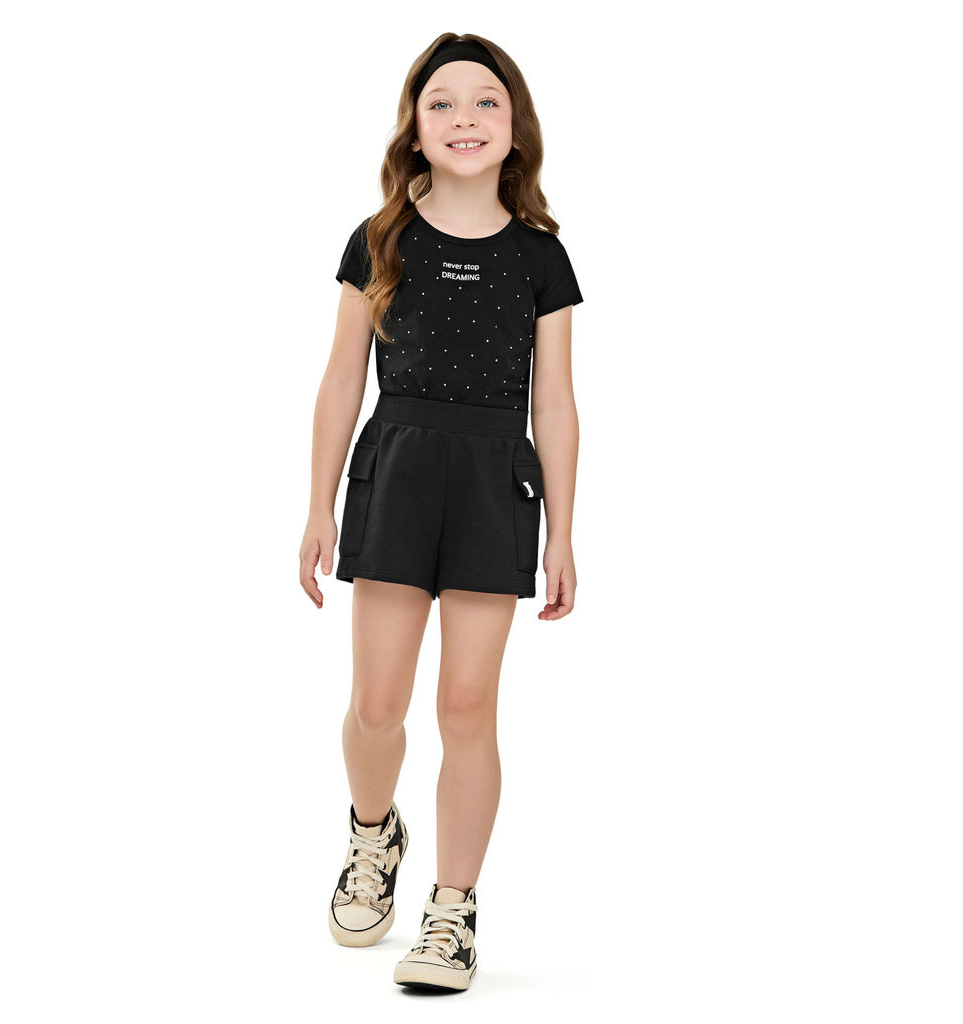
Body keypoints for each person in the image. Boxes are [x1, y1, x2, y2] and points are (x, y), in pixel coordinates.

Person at [299, 33, 583, 992]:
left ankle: (452, 910)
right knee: (377, 706)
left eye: (486, 101)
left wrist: (564, 534)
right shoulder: (380, 239)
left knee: (467, 704)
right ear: (415, 131)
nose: (466, 118)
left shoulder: (541, 257)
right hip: (398, 473)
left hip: (496, 482)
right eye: (443, 103)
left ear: (516, 127)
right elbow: (342, 380)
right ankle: (373, 833)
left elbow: (556, 404)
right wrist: (317, 507)